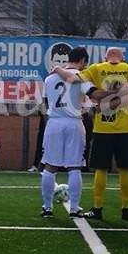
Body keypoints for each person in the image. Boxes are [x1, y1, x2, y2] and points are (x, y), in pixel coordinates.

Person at [54, 46, 128, 221]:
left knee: (101, 169)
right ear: (122, 57)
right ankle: (126, 209)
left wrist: (57, 69)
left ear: (105, 56)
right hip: (126, 127)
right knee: (125, 170)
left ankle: (97, 208)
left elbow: (72, 79)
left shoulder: (96, 69)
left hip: (103, 127)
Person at [39, 46, 90, 218]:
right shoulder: (83, 76)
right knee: (74, 167)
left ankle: (47, 207)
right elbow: (88, 100)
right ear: (82, 60)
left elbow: (46, 102)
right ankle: (74, 209)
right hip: (74, 122)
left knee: (50, 166)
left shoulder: (50, 78)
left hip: (54, 122)